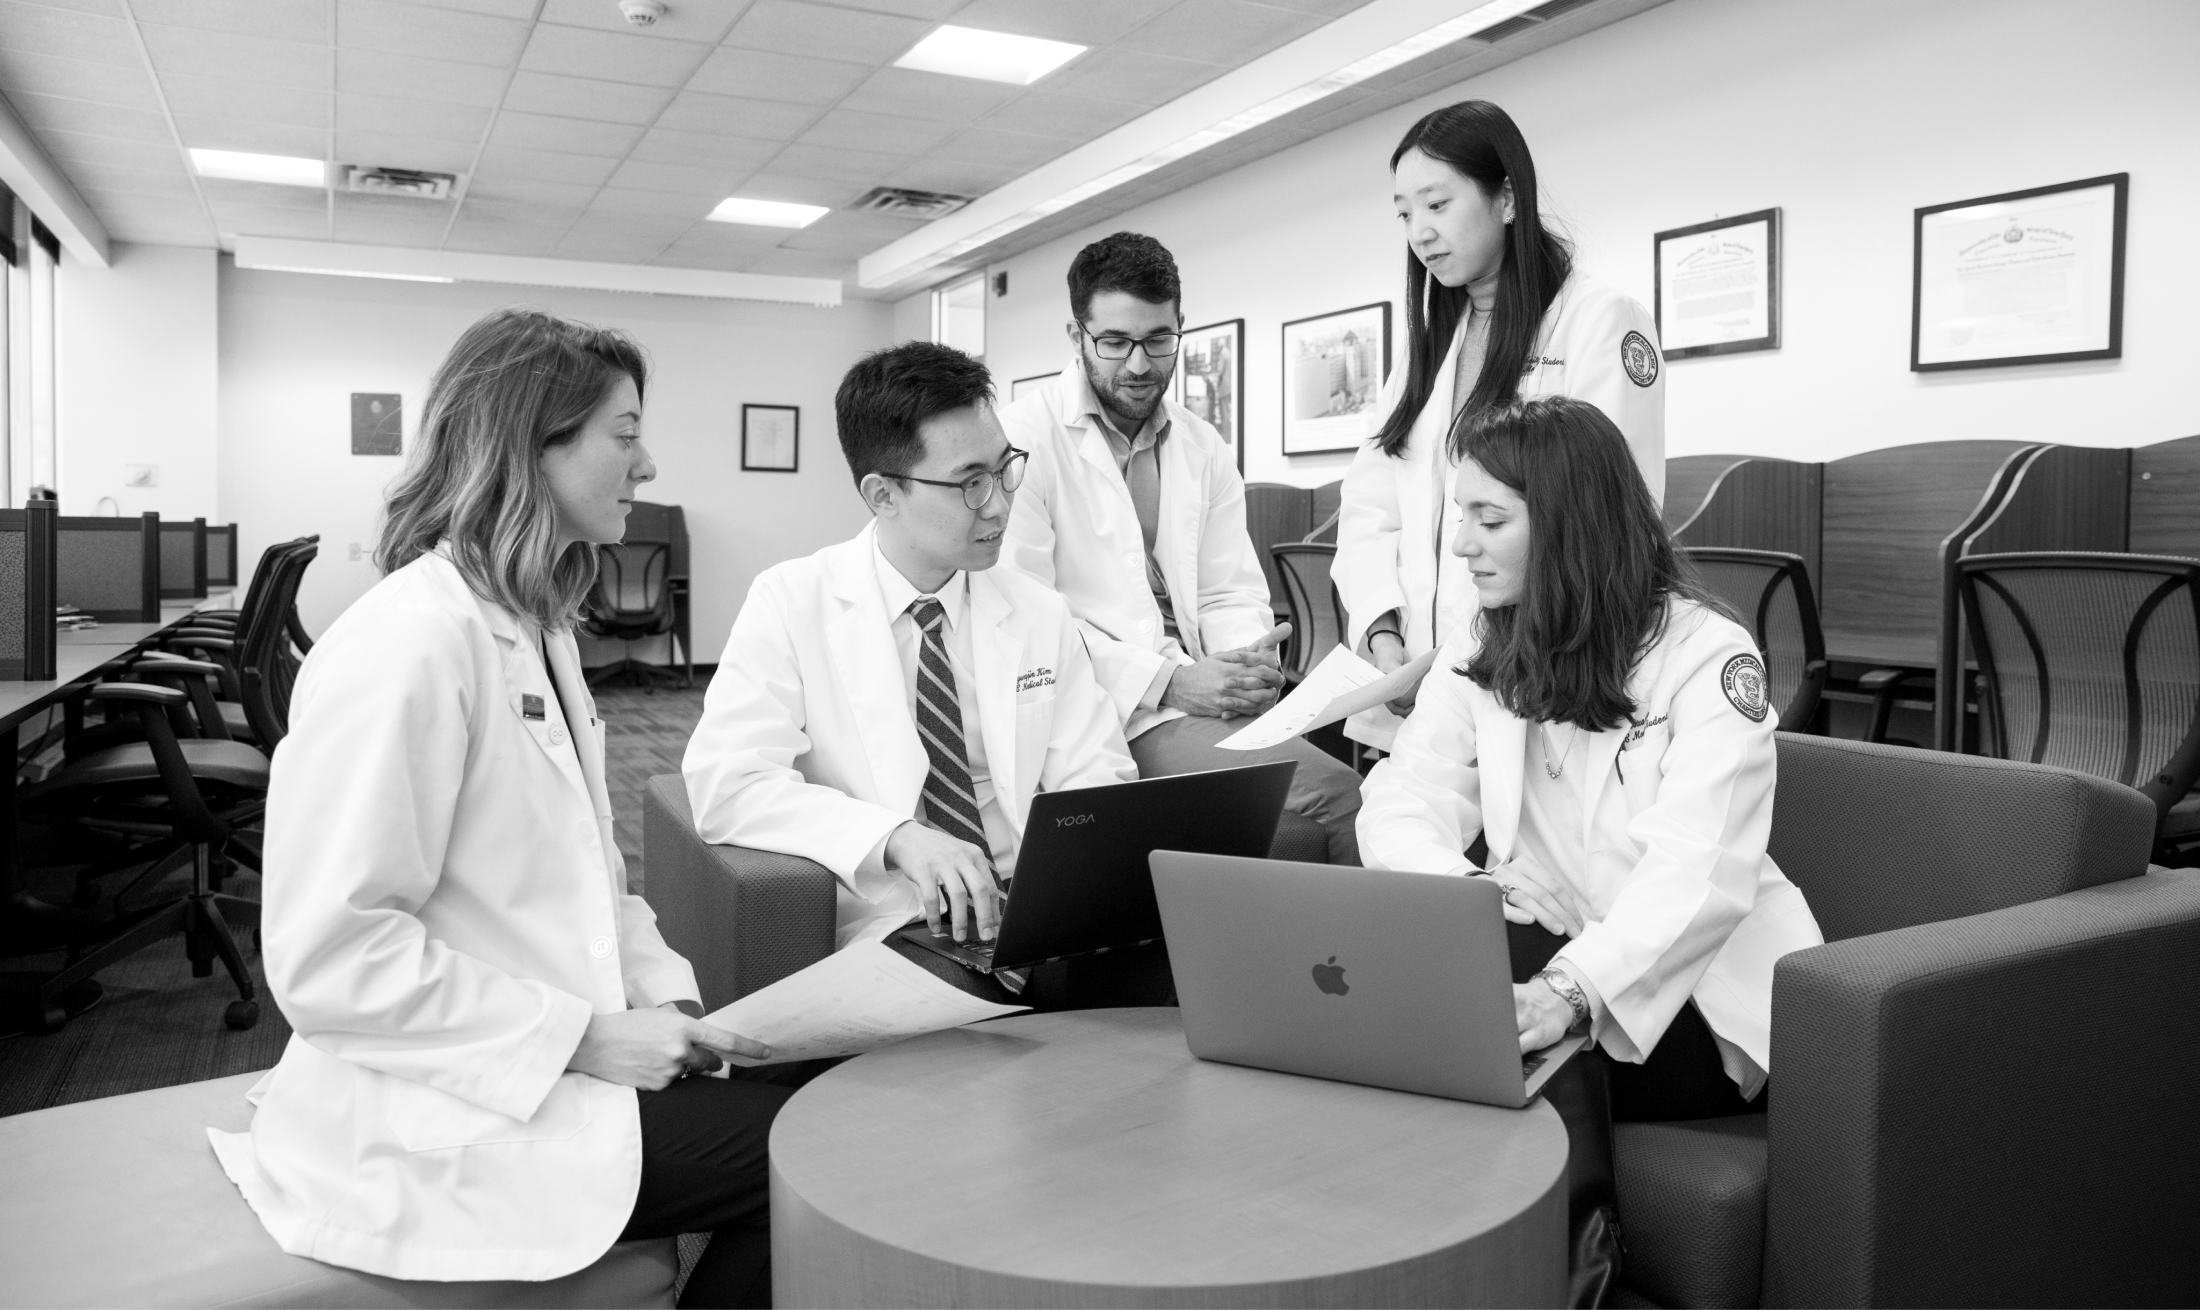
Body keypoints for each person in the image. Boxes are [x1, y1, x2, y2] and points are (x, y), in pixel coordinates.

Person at [209, 309, 801, 1308]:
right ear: (535, 441)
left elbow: (589, 884)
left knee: (810, 1106)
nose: (646, 461)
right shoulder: (407, 644)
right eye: (624, 432)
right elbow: (329, 956)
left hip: (530, 1053)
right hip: (430, 1108)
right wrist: (584, 1038)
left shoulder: (536, 631)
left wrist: (671, 1000)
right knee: (806, 1155)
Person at [1357, 395, 1821, 1306]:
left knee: (1482, 1023)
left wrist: (1570, 990)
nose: (1462, 546)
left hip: (1695, 995)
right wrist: (1471, 890)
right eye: (1462, 518)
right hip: (1548, 943)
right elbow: (1400, 798)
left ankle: (1569, 1283)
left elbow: (1699, 878)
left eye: (1490, 520)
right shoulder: (1485, 639)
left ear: (1568, 528)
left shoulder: (1707, 657)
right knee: (1440, 968)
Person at [683, 342, 1144, 1005]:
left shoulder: (1038, 610)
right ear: (883, 495)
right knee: (973, 997)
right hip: (908, 917)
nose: (998, 505)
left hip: (1039, 915)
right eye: (969, 483)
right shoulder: (793, 601)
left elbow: (1097, 777)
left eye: (1004, 468)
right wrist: (898, 838)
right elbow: (728, 783)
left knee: (1186, 972)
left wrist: (1080, 880)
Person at [1001, 232, 1363, 863]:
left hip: (1201, 693)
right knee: (1342, 796)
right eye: (1114, 343)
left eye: (1158, 340)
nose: (1139, 365)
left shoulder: (1202, 444)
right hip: (1112, 708)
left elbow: (1229, 587)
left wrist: (1240, 665)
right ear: (1076, 335)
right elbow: (1026, 620)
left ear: (1179, 329)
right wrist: (1170, 682)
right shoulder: (1023, 440)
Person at [1336, 99, 1666, 752]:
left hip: (1536, 683)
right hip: (1406, 689)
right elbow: (1369, 507)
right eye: (1404, 214)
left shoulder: (1599, 321)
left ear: (1508, 198)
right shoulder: (1429, 348)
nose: (1420, 232)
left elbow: (1603, 524)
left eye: (1437, 205)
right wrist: (1383, 637)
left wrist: (1462, 661)